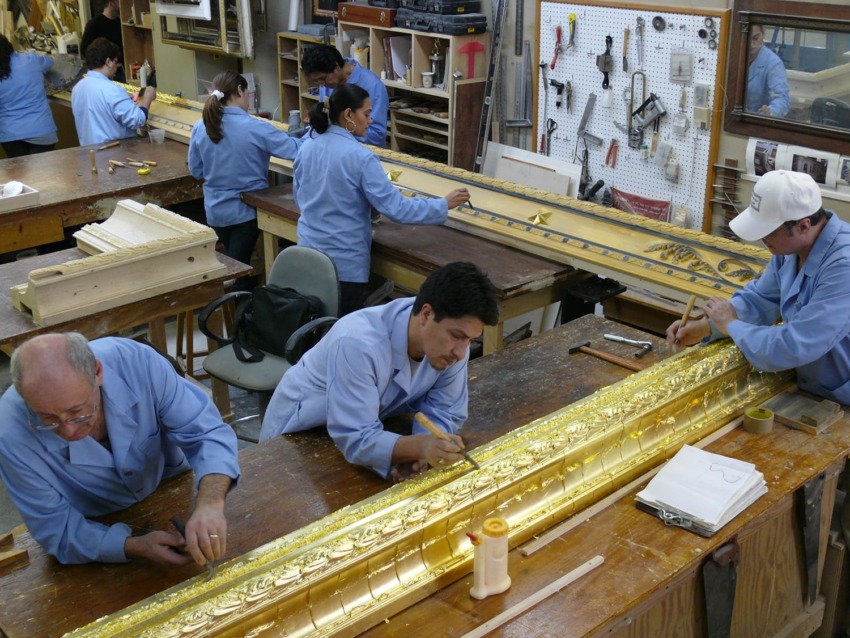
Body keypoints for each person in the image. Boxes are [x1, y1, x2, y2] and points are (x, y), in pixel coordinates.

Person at [0, 333, 241, 566]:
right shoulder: (9, 431)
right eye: (48, 419)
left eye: (77, 412)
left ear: (97, 372)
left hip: (169, 484)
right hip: (95, 522)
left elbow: (206, 433)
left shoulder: (138, 364)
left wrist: (210, 504)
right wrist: (130, 547)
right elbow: (56, 528)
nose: (68, 432)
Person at [259, 262, 499, 480]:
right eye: (457, 336)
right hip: (300, 434)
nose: (461, 352)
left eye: (470, 340)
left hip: (368, 420)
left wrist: (427, 452)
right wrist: (419, 446)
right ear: (426, 314)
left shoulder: (454, 346)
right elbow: (356, 436)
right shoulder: (358, 343)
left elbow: (444, 409)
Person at [666, 170, 850, 404]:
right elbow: (761, 299)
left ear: (803, 226)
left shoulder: (844, 266)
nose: (763, 240)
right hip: (814, 386)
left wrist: (731, 325)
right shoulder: (791, 249)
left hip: (843, 395)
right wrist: (707, 326)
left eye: (768, 234)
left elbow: (796, 344)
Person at [295, 84, 470, 315]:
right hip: (342, 266)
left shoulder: (307, 146)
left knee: (312, 328)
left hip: (307, 257)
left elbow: (301, 198)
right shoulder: (360, 157)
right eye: (366, 114)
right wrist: (443, 204)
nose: (371, 120)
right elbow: (397, 209)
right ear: (348, 115)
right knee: (342, 336)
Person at [189, 71, 304, 285]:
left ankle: (235, 303)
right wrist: (311, 133)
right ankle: (240, 311)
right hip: (245, 212)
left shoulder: (201, 126)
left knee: (233, 263)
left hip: (215, 212)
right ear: (241, 91)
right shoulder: (256, 127)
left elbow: (196, 171)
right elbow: (295, 151)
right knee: (237, 269)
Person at [71, 37, 155, 146]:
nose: (116, 67)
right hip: (114, 153)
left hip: (89, 152)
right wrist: (147, 98)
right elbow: (137, 119)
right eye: (115, 62)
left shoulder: (78, 88)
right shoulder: (112, 90)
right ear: (108, 62)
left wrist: (124, 100)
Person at [302, 44, 389, 147]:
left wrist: (336, 130)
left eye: (323, 78)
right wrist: (317, 121)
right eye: (316, 81)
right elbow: (326, 117)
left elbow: (376, 136)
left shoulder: (372, 85)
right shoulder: (327, 84)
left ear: (336, 67)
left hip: (361, 151)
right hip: (332, 145)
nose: (321, 84)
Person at [0, 34, 58, 157]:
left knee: (20, 175)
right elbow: (51, 61)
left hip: (10, 135)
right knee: (43, 174)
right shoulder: (30, 59)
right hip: (41, 131)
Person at [746, 24, 790, 117]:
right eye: (746, 38)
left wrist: (770, 111)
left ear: (763, 34)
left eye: (755, 38)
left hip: (757, 121)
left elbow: (782, 99)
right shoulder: (732, 56)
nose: (751, 43)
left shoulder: (773, 63)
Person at [80, 0, 124, 83]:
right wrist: (100, 65)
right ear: (111, 3)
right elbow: (84, 49)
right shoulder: (94, 24)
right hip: (102, 73)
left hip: (119, 70)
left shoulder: (120, 23)